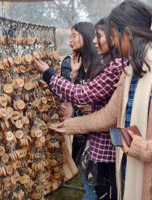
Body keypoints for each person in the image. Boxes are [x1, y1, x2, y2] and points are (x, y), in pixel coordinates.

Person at [54, 1, 152, 200]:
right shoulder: (130, 70)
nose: (112, 43)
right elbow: (109, 115)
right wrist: (70, 125)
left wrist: (144, 149)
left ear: (127, 33)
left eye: (112, 36)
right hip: (129, 172)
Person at [34, 19, 126, 200]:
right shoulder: (84, 61)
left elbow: (81, 94)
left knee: (100, 192)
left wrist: (48, 73)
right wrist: (75, 76)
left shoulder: (112, 65)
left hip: (103, 141)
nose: (93, 40)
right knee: (96, 188)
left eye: (74, 35)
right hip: (91, 136)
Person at [59, 21, 99, 200]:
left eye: (74, 35)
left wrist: (96, 107)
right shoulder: (74, 63)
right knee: (88, 182)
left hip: (97, 134)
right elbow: (74, 97)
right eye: (70, 36)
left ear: (87, 36)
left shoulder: (99, 64)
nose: (70, 40)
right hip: (82, 133)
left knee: (94, 188)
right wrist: (74, 75)